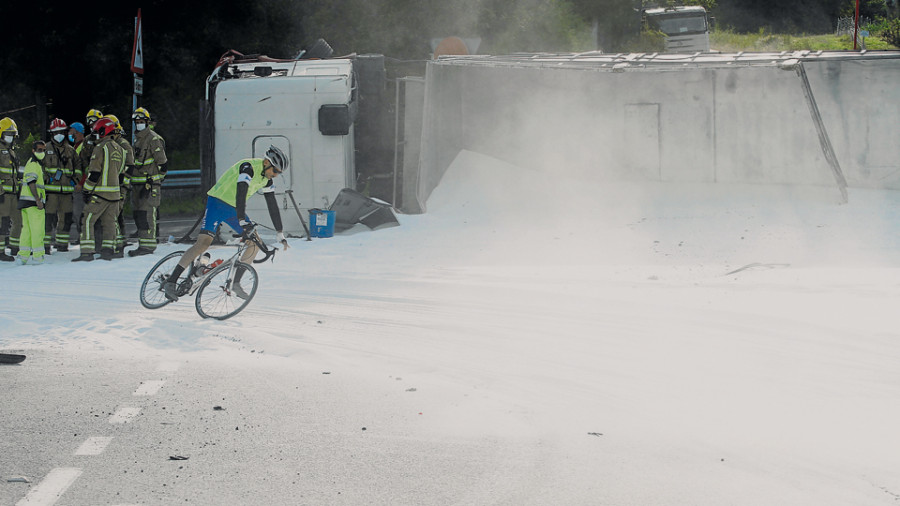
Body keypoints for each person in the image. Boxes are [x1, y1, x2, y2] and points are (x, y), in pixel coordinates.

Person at [163, 145, 290, 301]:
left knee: (254, 242)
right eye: (275, 170)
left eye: (279, 173)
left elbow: (272, 204)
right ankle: (171, 281)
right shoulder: (248, 167)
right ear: (266, 163)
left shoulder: (267, 180)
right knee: (203, 243)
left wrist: (279, 231)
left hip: (234, 209)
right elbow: (241, 191)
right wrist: (242, 218)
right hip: (217, 203)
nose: (276, 175)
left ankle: (236, 283)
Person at [72, 118, 125, 262]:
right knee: (109, 223)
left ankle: (87, 252)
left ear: (103, 132)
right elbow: (121, 173)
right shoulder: (120, 149)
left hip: (100, 194)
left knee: (87, 220)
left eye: (96, 132)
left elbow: (94, 172)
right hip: (115, 194)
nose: (94, 135)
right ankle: (108, 251)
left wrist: (87, 190)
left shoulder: (100, 148)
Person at [127, 107, 167, 256]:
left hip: (149, 185)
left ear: (147, 122)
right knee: (138, 215)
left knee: (147, 214)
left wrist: (154, 181)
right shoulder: (138, 140)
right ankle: (142, 244)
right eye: (136, 122)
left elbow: (162, 165)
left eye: (141, 121)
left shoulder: (153, 139)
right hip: (137, 185)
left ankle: (148, 246)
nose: (139, 124)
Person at [42, 118, 77, 253]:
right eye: (56, 132)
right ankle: (45, 246)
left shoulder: (71, 151)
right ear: (51, 133)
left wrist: (75, 180)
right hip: (51, 193)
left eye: (61, 131)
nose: (59, 134)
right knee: (48, 220)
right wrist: (47, 179)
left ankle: (62, 245)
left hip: (67, 193)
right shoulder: (46, 149)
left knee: (66, 219)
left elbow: (78, 168)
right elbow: (40, 169)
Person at [16, 141, 47, 265]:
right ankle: (38, 257)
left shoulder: (31, 163)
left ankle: (22, 257)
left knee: (27, 231)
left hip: (25, 203)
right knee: (38, 230)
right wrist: (38, 200)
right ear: (33, 150)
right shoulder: (34, 164)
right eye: (39, 150)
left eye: (44, 150)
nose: (42, 153)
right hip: (34, 203)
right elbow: (31, 182)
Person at [0, 117, 21, 261]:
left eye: (12, 134)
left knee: (18, 220)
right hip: (3, 194)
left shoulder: (11, 151)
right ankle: (0, 251)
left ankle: (15, 247)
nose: (10, 137)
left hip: (13, 194)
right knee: (2, 223)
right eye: (8, 134)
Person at [68, 122, 86, 246]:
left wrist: (80, 183)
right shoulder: (76, 146)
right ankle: (82, 237)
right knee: (76, 214)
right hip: (76, 186)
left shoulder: (83, 147)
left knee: (80, 213)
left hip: (81, 187)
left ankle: (84, 237)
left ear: (78, 132)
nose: (70, 134)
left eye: (71, 131)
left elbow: (86, 168)